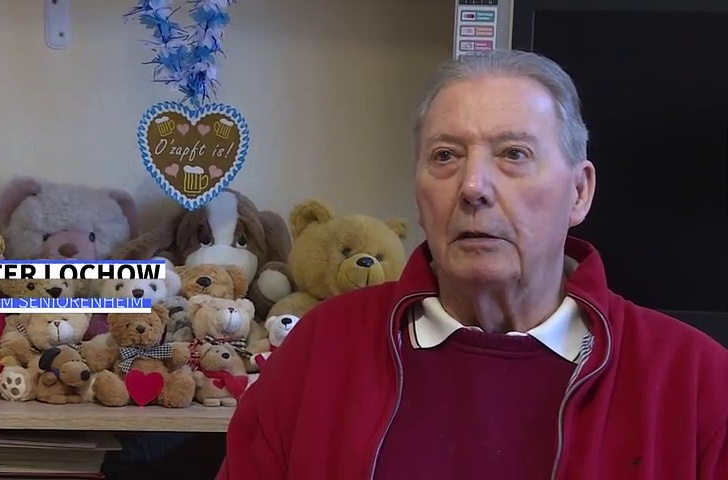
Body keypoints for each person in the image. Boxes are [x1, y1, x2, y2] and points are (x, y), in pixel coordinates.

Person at [215, 50, 728, 479]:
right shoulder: (320, 349)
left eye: (514, 153)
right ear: (418, 191)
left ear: (579, 191)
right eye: (445, 156)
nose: (473, 186)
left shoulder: (697, 381)